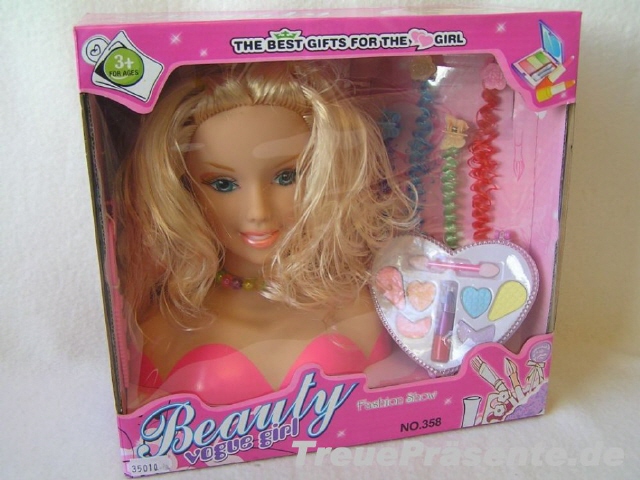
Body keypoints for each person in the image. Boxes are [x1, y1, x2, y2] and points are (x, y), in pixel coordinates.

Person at [116, 61, 418, 409]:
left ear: (325, 173)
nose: (258, 211)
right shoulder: (161, 329)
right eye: (223, 184)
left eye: (286, 177)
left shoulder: (359, 309)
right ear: (184, 190)